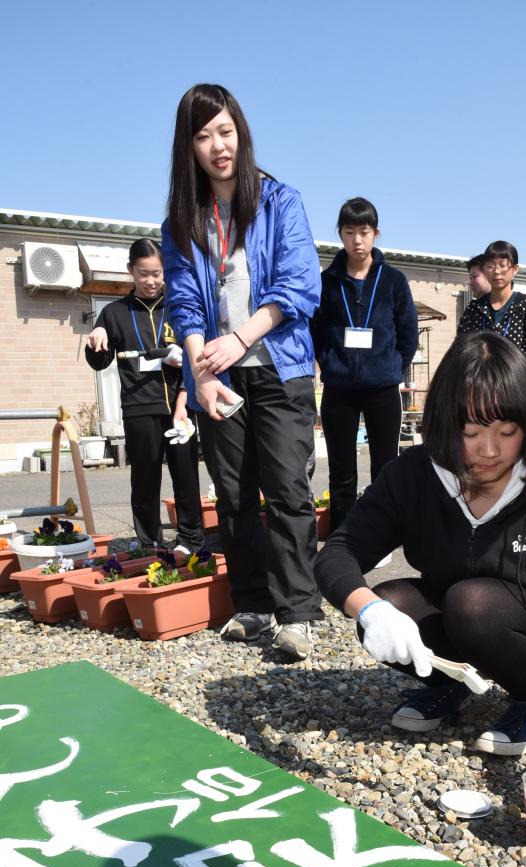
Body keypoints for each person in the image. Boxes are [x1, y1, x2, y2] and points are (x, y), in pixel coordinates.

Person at [315, 333, 526, 805]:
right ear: (442, 424)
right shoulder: (415, 475)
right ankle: (451, 685)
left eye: (507, 431)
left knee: (471, 603)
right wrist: (367, 608)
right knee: (389, 603)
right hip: (457, 620)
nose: (489, 451)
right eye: (470, 433)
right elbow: (339, 552)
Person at [161, 83, 322, 659]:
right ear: (190, 147)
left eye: (225, 131)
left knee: (286, 492)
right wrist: (201, 374)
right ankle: (252, 603)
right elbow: (182, 300)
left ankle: (298, 611)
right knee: (231, 495)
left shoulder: (282, 201)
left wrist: (239, 338)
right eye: (203, 136)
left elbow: (300, 285)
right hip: (218, 374)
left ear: (242, 132)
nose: (217, 146)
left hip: (279, 367)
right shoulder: (183, 217)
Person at [84, 238, 204, 554]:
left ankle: (190, 540)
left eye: (157, 273)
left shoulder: (178, 308)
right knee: (145, 479)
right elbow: (100, 361)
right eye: (143, 274)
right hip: (139, 407)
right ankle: (150, 542)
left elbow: (194, 362)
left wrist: (184, 400)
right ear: (131, 272)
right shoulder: (114, 313)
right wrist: (95, 339)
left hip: (181, 406)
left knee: (186, 475)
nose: (151, 281)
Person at [311, 197, 418, 532]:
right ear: (340, 234)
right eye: (349, 231)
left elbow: (408, 332)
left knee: (385, 466)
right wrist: (329, 363)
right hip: (339, 387)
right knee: (342, 470)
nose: (357, 239)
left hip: (382, 386)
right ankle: (345, 537)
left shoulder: (393, 280)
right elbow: (316, 330)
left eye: (364, 231)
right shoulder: (326, 282)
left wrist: (394, 368)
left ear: (376, 233)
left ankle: (383, 534)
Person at [457, 240, 526, 374]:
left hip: (515, 388)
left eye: (503, 265)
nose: (497, 271)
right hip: (481, 385)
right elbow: (461, 348)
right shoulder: (474, 309)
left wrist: (520, 376)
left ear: (515, 270)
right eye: (491, 266)